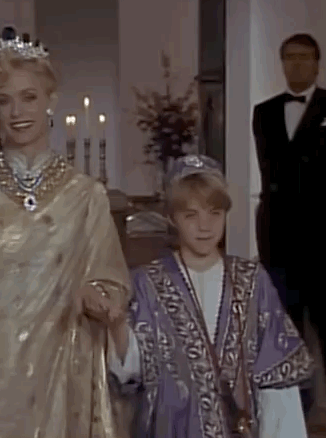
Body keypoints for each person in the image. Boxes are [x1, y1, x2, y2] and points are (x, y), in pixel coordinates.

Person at [0, 27, 131, 438]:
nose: (17, 111)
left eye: (29, 97)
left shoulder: (85, 196)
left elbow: (111, 283)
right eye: (4, 100)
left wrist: (99, 298)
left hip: (57, 386)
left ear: (51, 100)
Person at [108, 154, 314, 438]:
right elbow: (131, 369)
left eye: (214, 213)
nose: (205, 226)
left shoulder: (252, 281)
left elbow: (277, 384)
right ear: (171, 217)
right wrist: (117, 325)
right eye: (191, 215)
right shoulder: (146, 283)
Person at [251, 33, 326, 438]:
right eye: (289, 57)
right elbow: (273, 172)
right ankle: (289, 418)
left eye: (304, 57)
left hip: (325, 243)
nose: (297, 64)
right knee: (284, 332)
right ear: (281, 62)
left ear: (317, 63)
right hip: (278, 241)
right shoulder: (264, 112)